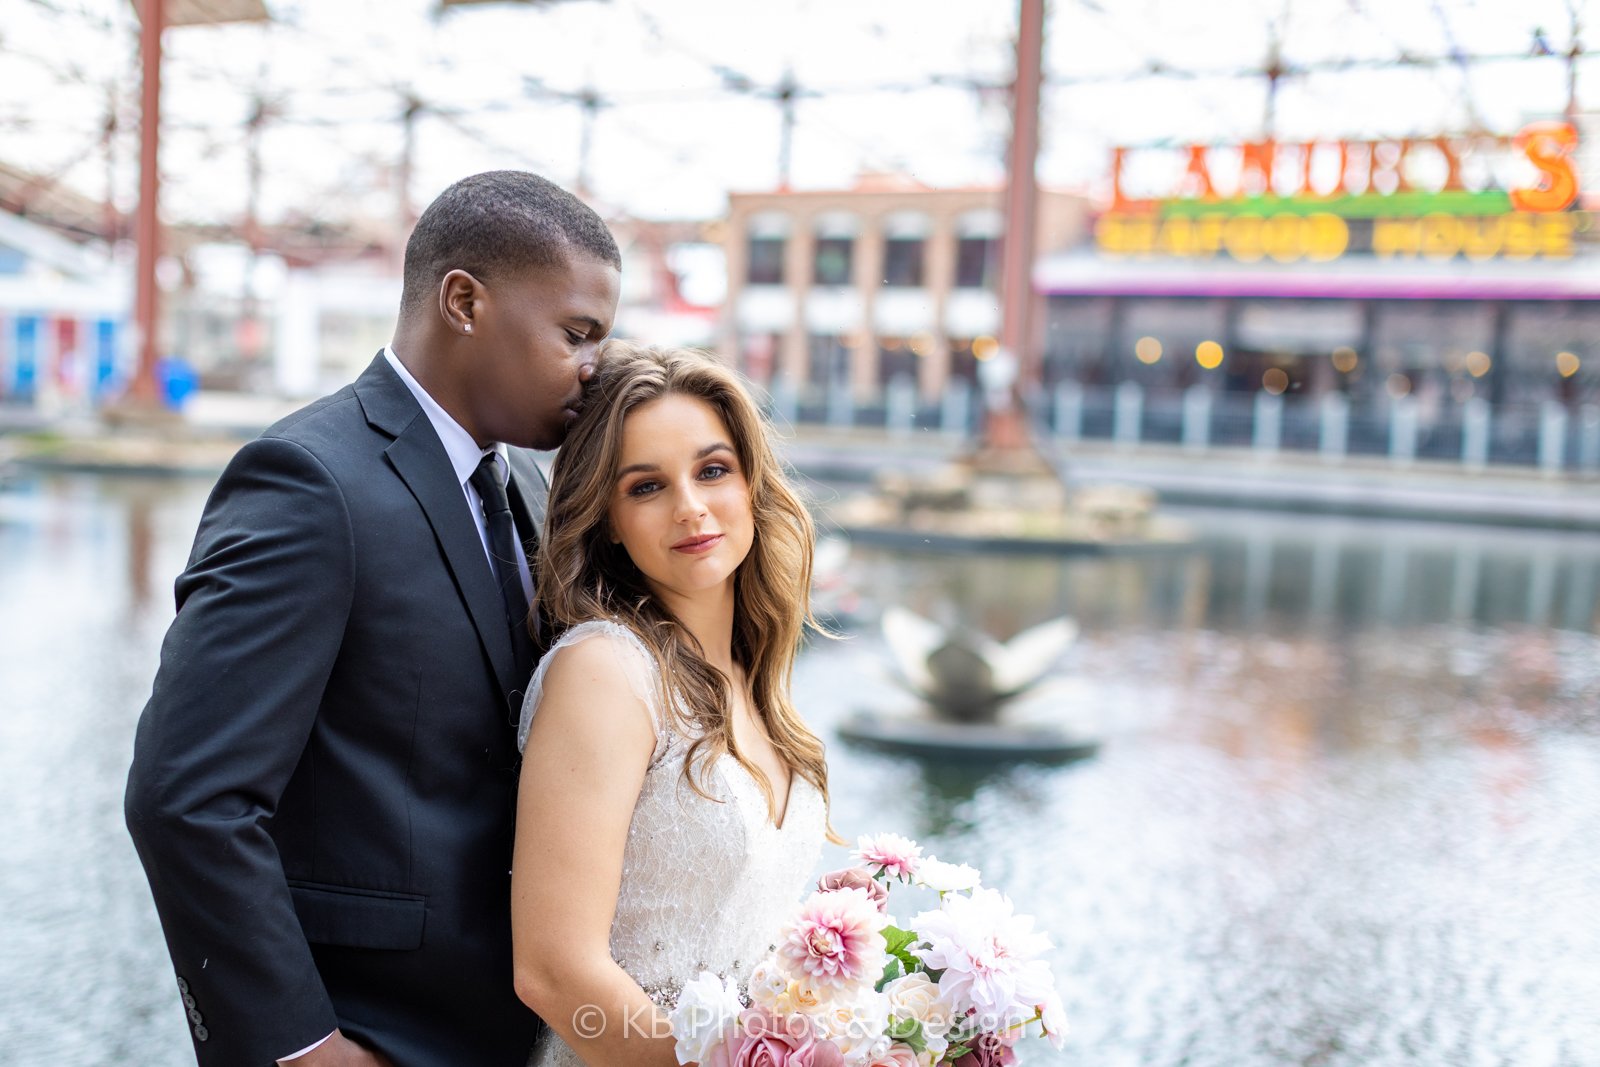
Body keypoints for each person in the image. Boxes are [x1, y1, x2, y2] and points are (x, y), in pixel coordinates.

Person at [124, 170, 621, 1067]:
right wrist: (301, 1047)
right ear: (464, 300)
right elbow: (188, 796)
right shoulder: (308, 481)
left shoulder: (529, 491)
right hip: (368, 1033)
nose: (597, 365)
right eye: (577, 333)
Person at [510, 341, 834, 1066]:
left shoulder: (756, 679)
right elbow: (554, 971)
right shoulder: (606, 671)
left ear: (752, 482)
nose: (691, 508)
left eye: (712, 470)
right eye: (646, 487)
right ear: (608, 520)